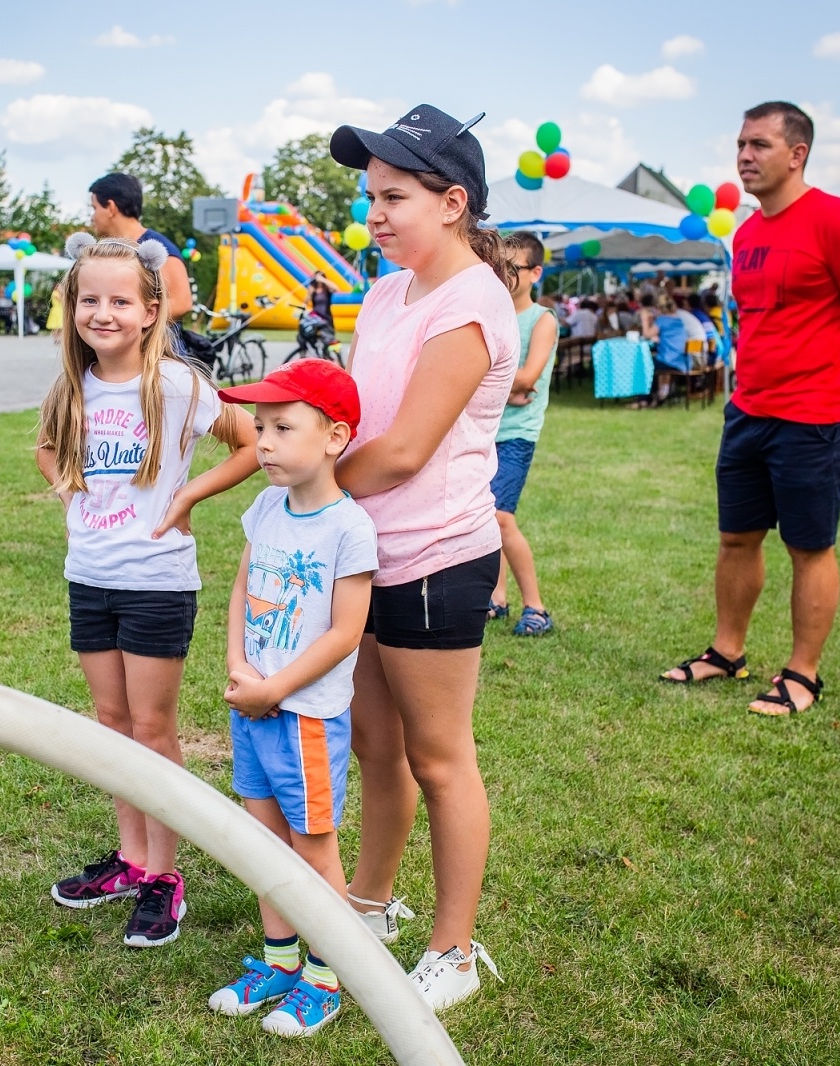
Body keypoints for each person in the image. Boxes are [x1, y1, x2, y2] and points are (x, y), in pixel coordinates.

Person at [328, 103, 516, 1010]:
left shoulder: (474, 300)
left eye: (394, 196)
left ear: (453, 202)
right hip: (369, 548)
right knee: (375, 745)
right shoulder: (384, 292)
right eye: (371, 196)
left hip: (438, 558)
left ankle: (455, 950)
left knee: (439, 758)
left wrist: (310, 483)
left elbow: (403, 451)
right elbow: (361, 420)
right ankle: (369, 901)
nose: (376, 213)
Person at [37, 234, 258, 948]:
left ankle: (165, 877)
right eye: (89, 299)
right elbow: (46, 447)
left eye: (119, 300)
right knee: (111, 723)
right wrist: (65, 488)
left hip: (156, 584)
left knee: (152, 730)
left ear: (149, 309)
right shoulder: (72, 387)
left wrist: (189, 492)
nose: (103, 313)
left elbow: (251, 442)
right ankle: (130, 862)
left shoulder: (176, 384)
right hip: (90, 579)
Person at [660, 101, 840, 717]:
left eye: (760, 145)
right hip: (749, 409)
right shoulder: (747, 232)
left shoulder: (839, 222)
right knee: (737, 538)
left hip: (816, 415)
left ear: (798, 154)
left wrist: (838, 374)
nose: (744, 156)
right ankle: (727, 652)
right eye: (740, 143)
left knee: (808, 545)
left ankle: (802, 674)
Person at [204, 359, 376, 1038]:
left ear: (334, 437)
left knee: (311, 846)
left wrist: (274, 688)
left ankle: (330, 973)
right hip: (251, 703)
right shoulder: (266, 504)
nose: (263, 443)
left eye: (282, 427)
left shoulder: (348, 528)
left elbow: (346, 630)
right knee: (262, 839)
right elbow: (244, 589)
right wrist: (239, 666)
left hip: (303, 715)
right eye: (259, 427)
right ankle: (278, 960)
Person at [488, 233, 558, 635]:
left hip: (517, 435)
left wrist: (492, 381)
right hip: (485, 430)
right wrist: (503, 386)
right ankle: (497, 598)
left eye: (515, 268)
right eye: (501, 267)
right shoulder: (493, 316)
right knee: (483, 515)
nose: (506, 275)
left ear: (535, 273)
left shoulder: (542, 320)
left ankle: (536, 607)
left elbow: (529, 377)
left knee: (500, 517)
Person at [89, 172, 194, 322]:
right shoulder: (109, 250)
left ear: (111, 208)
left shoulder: (159, 249)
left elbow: (182, 303)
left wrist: (130, 320)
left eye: (94, 208)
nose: (92, 217)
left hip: (156, 345)